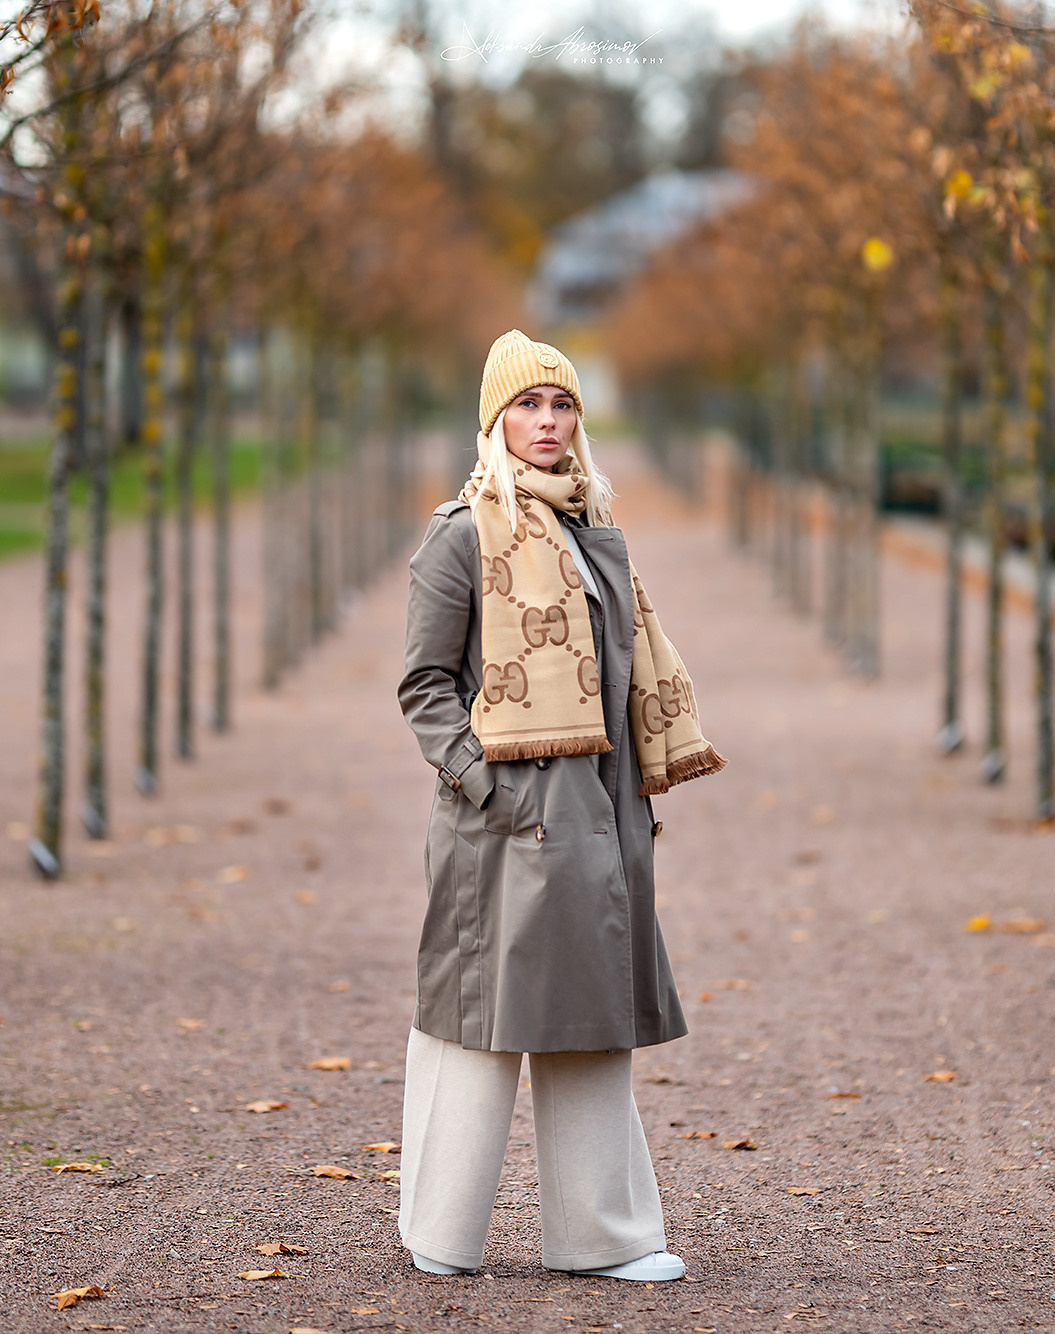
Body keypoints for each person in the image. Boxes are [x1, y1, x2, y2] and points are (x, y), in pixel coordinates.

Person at [395, 329, 726, 1282]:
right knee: (478, 1021)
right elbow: (425, 687)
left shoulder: (590, 532)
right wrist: (489, 788)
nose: (548, 423)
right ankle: (441, 1234)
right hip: (500, 824)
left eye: (563, 405)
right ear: (495, 420)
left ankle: (605, 1238)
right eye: (530, 406)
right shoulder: (459, 536)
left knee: (590, 1019)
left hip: (601, 817)